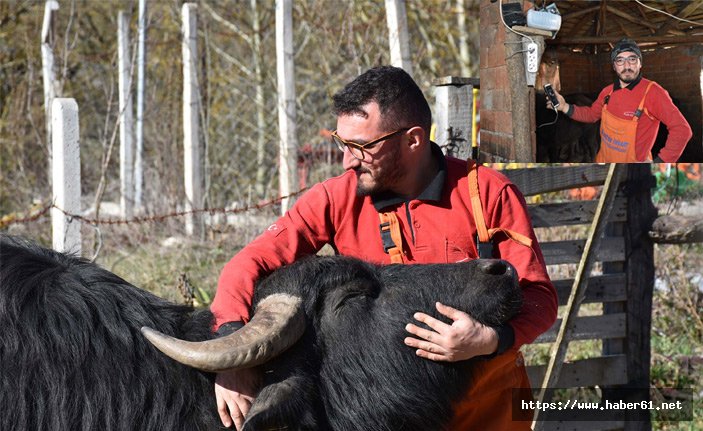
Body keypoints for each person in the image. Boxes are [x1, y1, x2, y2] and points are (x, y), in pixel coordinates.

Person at [211, 65, 557, 430]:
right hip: (393, 415)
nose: (347, 160)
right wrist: (233, 359)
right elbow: (246, 265)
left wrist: (490, 340)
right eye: (342, 143)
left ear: (413, 140)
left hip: (490, 414)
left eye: (362, 146)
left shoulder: (487, 192)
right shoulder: (335, 197)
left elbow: (540, 297)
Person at [547, 38, 692, 162]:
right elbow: (591, 115)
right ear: (614, 66)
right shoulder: (607, 92)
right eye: (620, 60)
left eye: (632, 59)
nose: (627, 66)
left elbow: (682, 130)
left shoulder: (653, 92)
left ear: (640, 63)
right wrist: (564, 106)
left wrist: (660, 162)